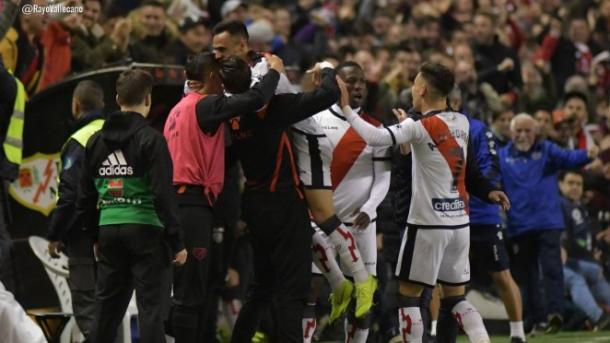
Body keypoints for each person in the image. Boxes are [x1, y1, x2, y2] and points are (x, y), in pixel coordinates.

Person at [212, 20, 378, 329]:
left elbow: (264, 100)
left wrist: (325, 68)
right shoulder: (237, 75)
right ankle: (340, 283)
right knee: (308, 224)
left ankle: (362, 281)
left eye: (222, 48)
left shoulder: (263, 69)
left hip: (306, 140)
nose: (216, 54)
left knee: (324, 216)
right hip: (284, 146)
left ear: (242, 46)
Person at [338, 62, 510, 343]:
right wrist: (490, 190)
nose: (412, 91)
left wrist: (346, 108)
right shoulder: (463, 122)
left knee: (408, 297)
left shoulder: (419, 125)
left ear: (424, 89)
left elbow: (376, 137)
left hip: (427, 225)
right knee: (456, 299)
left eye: (415, 85)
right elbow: (469, 171)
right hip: (459, 224)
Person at [191, 54, 339, 342]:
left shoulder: (230, 118)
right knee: (291, 291)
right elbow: (330, 93)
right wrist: (328, 68)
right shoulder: (276, 107)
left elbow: (226, 160)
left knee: (260, 287)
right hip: (284, 206)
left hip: (255, 208)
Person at [163, 52, 280, 343]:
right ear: (213, 78)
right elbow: (254, 100)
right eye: (221, 78)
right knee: (191, 291)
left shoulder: (179, 108)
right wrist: (273, 73)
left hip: (178, 202)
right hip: (192, 205)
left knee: (188, 287)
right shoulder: (206, 105)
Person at [77, 69, 187, 343]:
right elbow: (164, 195)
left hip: (109, 230)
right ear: (148, 100)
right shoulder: (151, 139)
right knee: (151, 310)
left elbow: (85, 197)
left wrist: (94, 235)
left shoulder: (95, 141)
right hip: (147, 232)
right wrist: (177, 241)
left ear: (116, 99)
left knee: (106, 310)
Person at [308, 61, 392, 343]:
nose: (358, 87)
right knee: (311, 291)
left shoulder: (376, 128)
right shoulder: (315, 119)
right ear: (337, 84)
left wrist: (369, 210)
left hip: (360, 226)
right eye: (351, 81)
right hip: (320, 222)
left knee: (363, 299)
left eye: (362, 82)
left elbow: (382, 178)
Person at [500, 113, 598, 334]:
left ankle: (555, 314)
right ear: (511, 132)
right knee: (528, 277)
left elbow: (568, 158)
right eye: (519, 131)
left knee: (552, 270)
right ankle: (537, 319)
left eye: (528, 131)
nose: (523, 135)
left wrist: (586, 155)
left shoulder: (546, 150)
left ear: (535, 133)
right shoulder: (502, 156)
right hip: (519, 225)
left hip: (547, 223)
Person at [46, 80, 105, 340]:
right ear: (103, 104)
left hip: (83, 234)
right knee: (112, 308)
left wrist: (55, 234)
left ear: (76, 105)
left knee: (88, 308)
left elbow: (69, 197)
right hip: (120, 228)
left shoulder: (79, 140)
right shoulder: (120, 132)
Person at [559, 170, 610, 330]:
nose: (575, 187)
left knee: (596, 273)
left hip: (583, 263)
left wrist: (596, 259)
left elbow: (587, 239)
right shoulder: (558, 205)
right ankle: (601, 319)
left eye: (578, 184)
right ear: (560, 185)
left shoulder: (581, 207)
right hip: (561, 264)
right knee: (576, 280)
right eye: (570, 183)